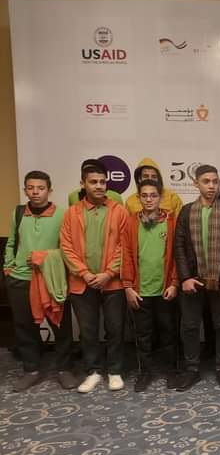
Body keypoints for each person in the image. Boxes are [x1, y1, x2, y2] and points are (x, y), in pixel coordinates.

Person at [61, 159, 128, 393]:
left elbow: (125, 246)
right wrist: (85, 273)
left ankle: (115, 371)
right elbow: (66, 247)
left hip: (113, 282)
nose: (99, 186)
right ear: (83, 184)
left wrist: (108, 273)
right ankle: (93, 372)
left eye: (102, 182)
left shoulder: (119, 211)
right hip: (82, 282)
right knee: (88, 331)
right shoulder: (71, 213)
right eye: (93, 182)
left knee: (115, 329)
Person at [4, 171, 75, 392]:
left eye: (40, 188)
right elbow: (12, 242)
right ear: (25, 190)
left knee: (61, 325)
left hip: (51, 278)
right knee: (25, 327)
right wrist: (8, 266)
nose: (35, 192)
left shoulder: (62, 214)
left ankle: (64, 369)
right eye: (31, 188)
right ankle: (31, 370)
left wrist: (44, 257)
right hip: (20, 278)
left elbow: (68, 249)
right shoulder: (18, 213)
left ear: (49, 190)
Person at [174, 164, 220, 391]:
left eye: (215, 181)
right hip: (193, 280)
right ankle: (192, 369)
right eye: (206, 181)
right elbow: (179, 247)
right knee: (190, 326)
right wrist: (184, 277)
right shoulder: (186, 212)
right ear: (196, 184)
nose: (211, 186)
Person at [122, 179, 179, 392]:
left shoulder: (171, 222)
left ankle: (171, 371)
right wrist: (128, 286)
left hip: (165, 289)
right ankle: (145, 372)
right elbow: (127, 254)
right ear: (138, 198)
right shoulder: (131, 222)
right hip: (140, 290)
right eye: (144, 195)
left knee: (168, 333)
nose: (149, 199)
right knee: (143, 335)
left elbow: (177, 255)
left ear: (160, 197)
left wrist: (174, 283)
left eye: (153, 195)